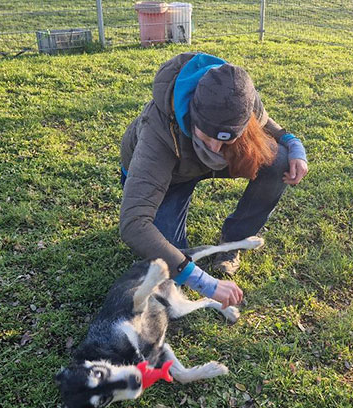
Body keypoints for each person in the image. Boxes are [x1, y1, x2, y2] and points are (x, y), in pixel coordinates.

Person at [119, 52, 308, 309]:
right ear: (192, 114)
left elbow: (264, 123)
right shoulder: (157, 132)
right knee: (172, 260)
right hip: (169, 176)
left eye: (225, 139)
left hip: (196, 164)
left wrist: (293, 143)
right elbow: (133, 223)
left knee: (280, 160)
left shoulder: (241, 98)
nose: (215, 148)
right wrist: (203, 282)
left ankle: (233, 241)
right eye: (207, 136)